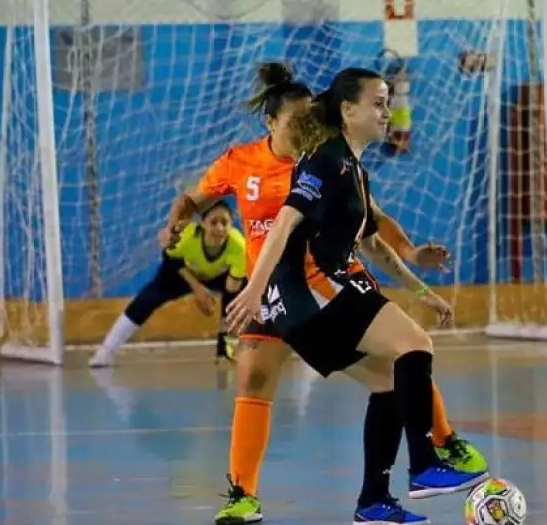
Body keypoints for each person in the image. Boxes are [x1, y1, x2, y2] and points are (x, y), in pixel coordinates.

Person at [160, 63, 487, 525]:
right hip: (290, 290)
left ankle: (384, 493)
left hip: (312, 284)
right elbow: (239, 211)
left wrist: (413, 261)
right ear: (272, 122)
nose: (306, 125)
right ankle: (244, 494)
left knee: (393, 374)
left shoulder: (331, 158)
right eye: (296, 120)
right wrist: (178, 225)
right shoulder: (271, 161)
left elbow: (370, 223)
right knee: (261, 381)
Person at [90, 201, 246, 367]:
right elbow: (170, 258)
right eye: (214, 222)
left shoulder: (239, 246)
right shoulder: (187, 236)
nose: (220, 229)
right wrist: (198, 289)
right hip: (182, 272)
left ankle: (225, 348)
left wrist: (224, 305)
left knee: (237, 301)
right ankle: (105, 352)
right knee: (146, 299)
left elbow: (233, 288)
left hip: (217, 277)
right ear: (202, 223)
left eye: (225, 222)